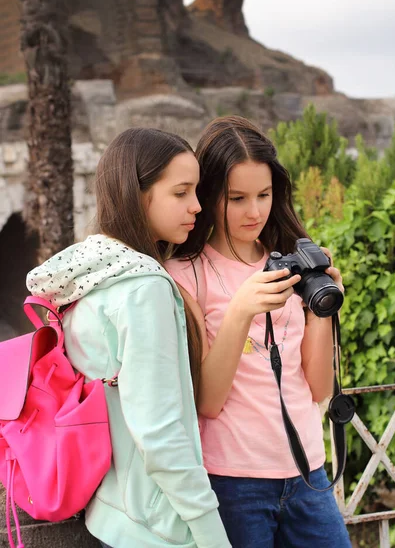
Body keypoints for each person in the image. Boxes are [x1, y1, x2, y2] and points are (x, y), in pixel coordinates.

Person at [26, 128, 231, 548]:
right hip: (158, 528)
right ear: (136, 195)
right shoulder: (143, 288)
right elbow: (158, 432)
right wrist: (212, 535)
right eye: (181, 192)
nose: (196, 206)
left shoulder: (91, 277)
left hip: (109, 512)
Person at [166, 116, 351, 548]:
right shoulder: (185, 276)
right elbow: (208, 402)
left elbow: (318, 387)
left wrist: (320, 311)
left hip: (307, 470)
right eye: (237, 198)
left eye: (264, 195)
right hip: (233, 481)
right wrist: (241, 310)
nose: (255, 211)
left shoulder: (290, 263)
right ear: (209, 196)